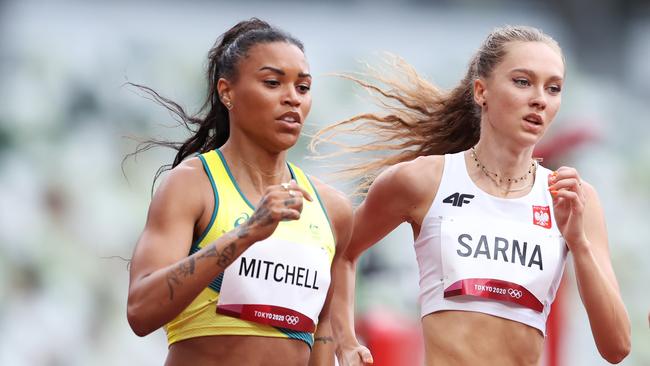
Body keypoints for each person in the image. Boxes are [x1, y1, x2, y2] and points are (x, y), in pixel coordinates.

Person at [313, 25, 631, 365]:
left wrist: (578, 241)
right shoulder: (425, 179)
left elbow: (617, 347)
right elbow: (341, 251)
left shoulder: (572, 199)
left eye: (553, 88)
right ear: (482, 91)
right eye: (523, 82)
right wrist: (344, 341)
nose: (540, 98)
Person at [126, 18, 352, 366]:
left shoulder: (332, 209)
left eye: (303, 87)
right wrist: (246, 234)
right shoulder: (192, 184)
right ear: (227, 91)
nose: (292, 98)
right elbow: (140, 311)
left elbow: (322, 325)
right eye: (273, 83)